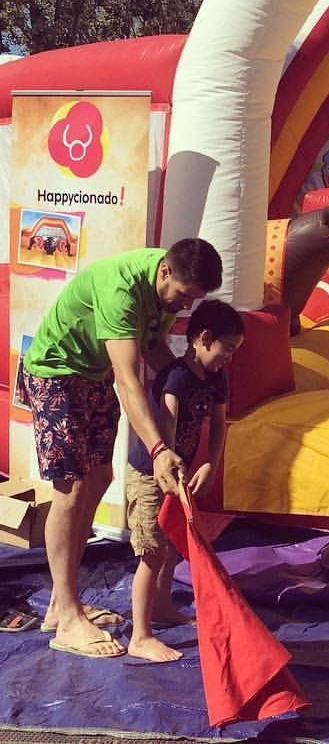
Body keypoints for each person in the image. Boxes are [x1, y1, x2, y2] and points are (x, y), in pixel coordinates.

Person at [21, 238, 222, 658]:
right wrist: (158, 450)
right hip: (57, 373)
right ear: (165, 272)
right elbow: (128, 380)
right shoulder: (122, 289)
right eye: (184, 295)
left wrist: (191, 378)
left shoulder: (166, 292)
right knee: (71, 490)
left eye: (194, 300)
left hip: (90, 376)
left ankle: (62, 603)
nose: (184, 306)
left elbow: (152, 349)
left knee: (99, 478)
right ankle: (67, 618)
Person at [125, 298, 244, 662]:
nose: (230, 357)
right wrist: (175, 473)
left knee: (172, 541)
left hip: (182, 473)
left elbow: (220, 423)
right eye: (227, 349)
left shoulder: (217, 377)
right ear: (204, 338)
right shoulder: (175, 376)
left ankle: (161, 607)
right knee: (151, 551)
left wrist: (210, 463)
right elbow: (168, 425)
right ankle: (140, 636)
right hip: (152, 474)